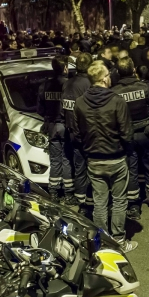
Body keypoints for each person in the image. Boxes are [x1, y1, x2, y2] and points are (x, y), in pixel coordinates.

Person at [72, 62, 137, 252]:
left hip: (93, 159)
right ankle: (119, 241)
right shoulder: (117, 101)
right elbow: (127, 133)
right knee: (119, 200)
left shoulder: (80, 103)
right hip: (116, 157)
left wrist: (87, 149)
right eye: (108, 74)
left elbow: (76, 133)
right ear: (104, 78)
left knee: (100, 202)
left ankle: (103, 241)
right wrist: (126, 149)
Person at [112, 57, 149, 219]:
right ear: (133, 70)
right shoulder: (144, 88)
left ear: (118, 72)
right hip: (146, 133)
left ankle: (134, 206)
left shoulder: (114, 93)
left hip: (126, 136)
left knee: (131, 169)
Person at [37, 56, 77, 205]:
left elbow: (40, 109)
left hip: (52, 127)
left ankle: (53, 192)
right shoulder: (69, 85)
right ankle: (68, 194)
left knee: (55, 161)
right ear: (65, 68)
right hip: (65, 126)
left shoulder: (45, 85)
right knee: (67, 159)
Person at [62, 53, 94, 212]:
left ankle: (82, 203)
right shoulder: (89, 84)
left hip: (73, 133)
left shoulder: (68, 84)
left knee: (79, 168)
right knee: (91, 169)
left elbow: (64, 110)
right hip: (87, 134)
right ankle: (89, 201)